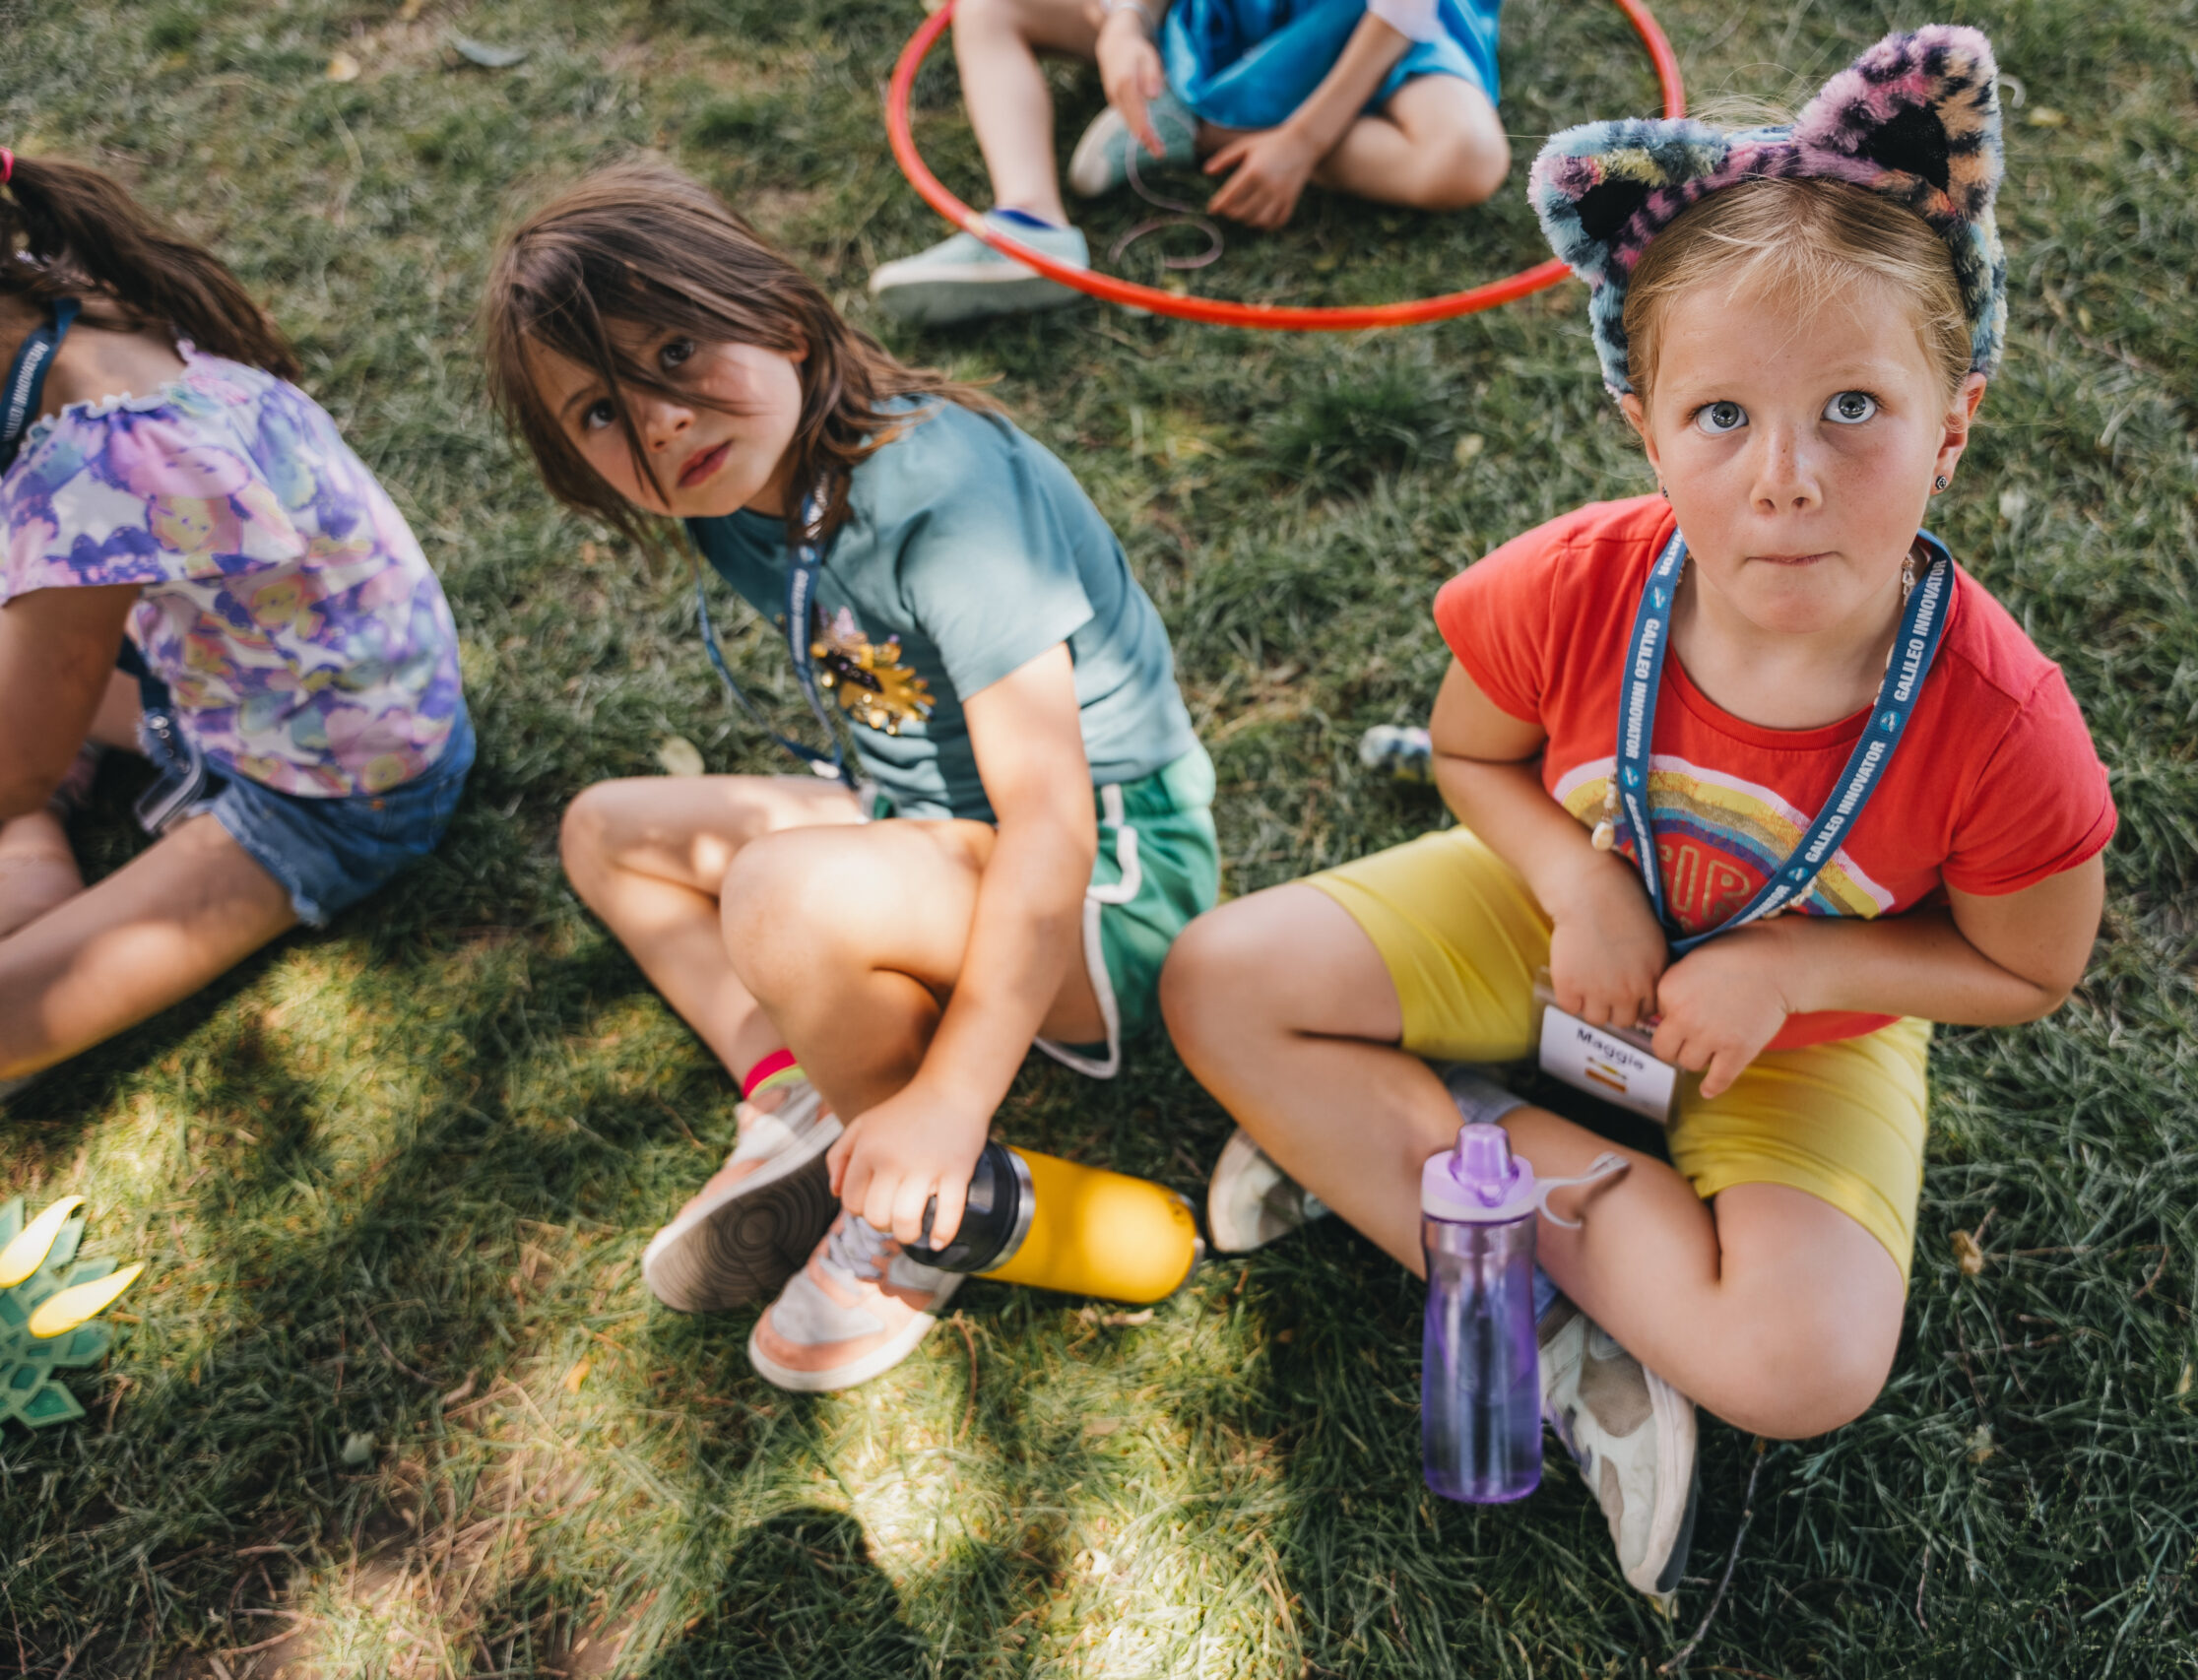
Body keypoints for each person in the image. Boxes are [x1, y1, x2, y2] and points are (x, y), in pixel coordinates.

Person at [1161, 29, 2114, 1600]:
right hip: (1556, 922)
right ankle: (1553, 1310)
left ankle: (1440, 1162)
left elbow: (2026, 969)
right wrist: (1574, 879)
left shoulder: (2007, 728)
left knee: (1804, 1368)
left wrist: (1798, 965)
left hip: (1800, 1029)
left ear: (1957, 421)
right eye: (1723, 416)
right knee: (1217, 979)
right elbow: (1475, 761)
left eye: (1858, 409)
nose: (1786, 478)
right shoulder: (1579, 581)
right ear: (1645, 426)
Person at [481, 162, 1216, 1391]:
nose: (657, 419)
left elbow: (1050, 819)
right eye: (600, 412)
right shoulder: (733, 489)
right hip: (926, 826)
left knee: (781, 892)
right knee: (607, 831)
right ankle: (798, 1092)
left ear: (772, 308)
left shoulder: (946, 498)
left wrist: (954, 1100)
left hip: (1114, 891)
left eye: (673, 350)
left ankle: (921, 1197)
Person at [0, 151, 471, 1101]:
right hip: (284, 680)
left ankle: (31, 859)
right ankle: (34, 860)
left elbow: (16, 763)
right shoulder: (87, 296)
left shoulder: (96, 463)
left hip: (338, 792)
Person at [872, 0, 1511, 323]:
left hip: (1372, 34)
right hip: (1222, 13)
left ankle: (1199, 124)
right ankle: (1029, 223)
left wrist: (1304, 142)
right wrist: (1124, 24)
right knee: (989, 5)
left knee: (1466, 158)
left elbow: (1403, 11)